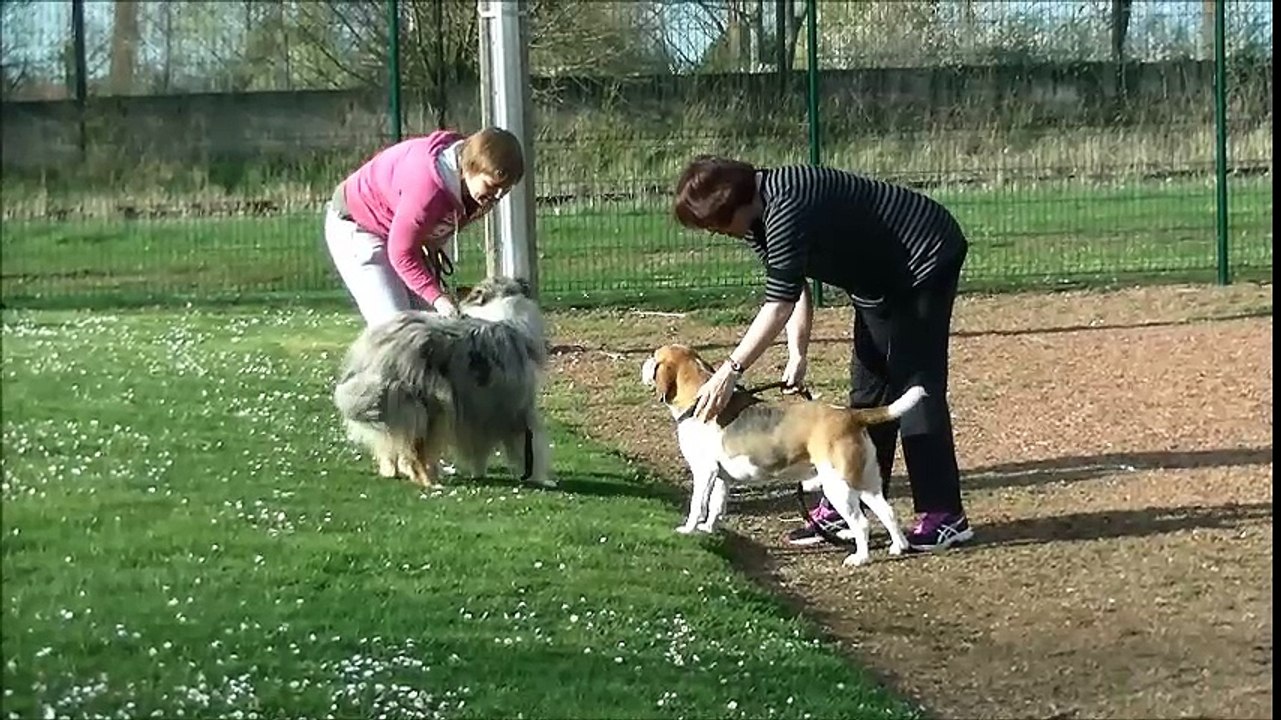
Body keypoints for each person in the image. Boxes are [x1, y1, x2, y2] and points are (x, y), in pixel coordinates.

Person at [671, 156, 974, 552]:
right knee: (868, 387)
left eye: (715, 223)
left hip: (922, 256)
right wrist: (798, 353)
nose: (715, 232)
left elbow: (777, 305)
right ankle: (845, 495)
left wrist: (731, 369)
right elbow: (792, 287)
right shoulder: (757, 219)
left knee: (915, 382)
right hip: (875, 277)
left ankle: (944, 515)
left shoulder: (787, 205)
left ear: (737, 204)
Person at [324, 126, 525, 326]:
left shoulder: (476, 191)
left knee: (435, 329)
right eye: (492, 186)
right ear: (470, 167)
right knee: (397, 329)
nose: (497, 196)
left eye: (505, 190)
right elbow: (401, 253)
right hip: (359, 225)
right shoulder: (428, 190)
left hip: (400, 230)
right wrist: (439, 299)